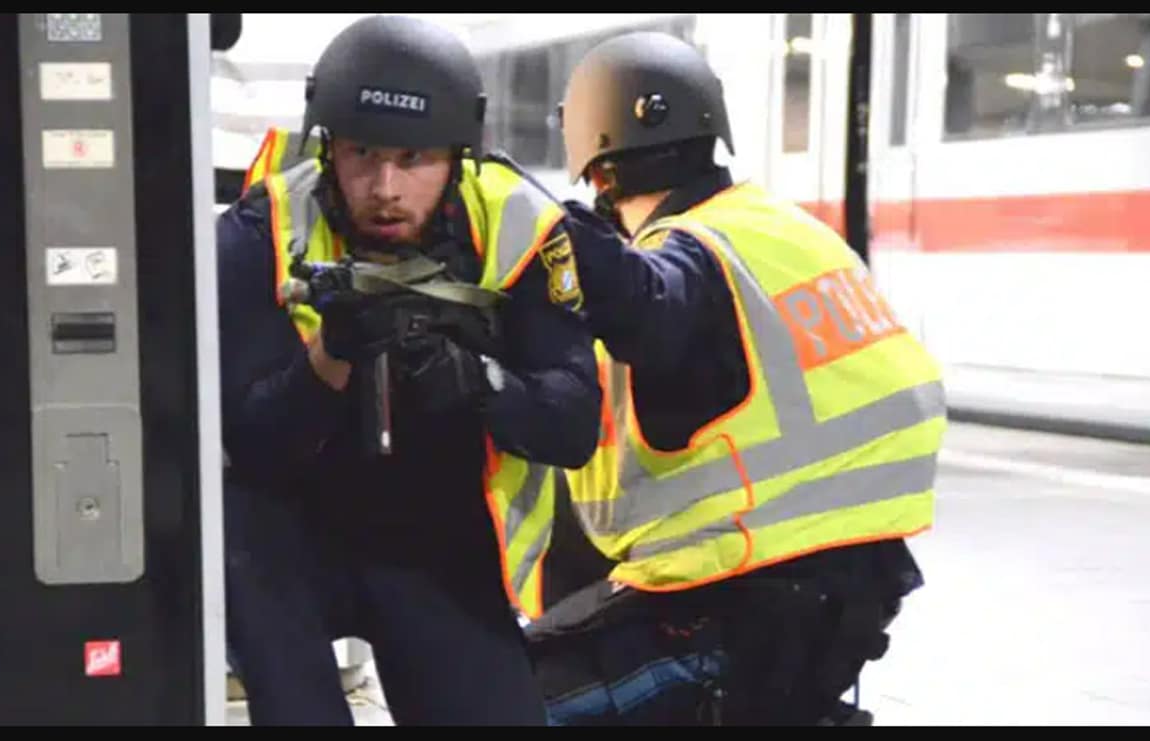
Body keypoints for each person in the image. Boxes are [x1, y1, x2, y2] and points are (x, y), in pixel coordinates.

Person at [529, 31, 948, 726]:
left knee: (494, 701)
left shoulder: (684, 254)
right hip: (848, 594)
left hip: (729, 611)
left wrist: (547, 235)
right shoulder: (787, 233)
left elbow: (651, 306)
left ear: (598, 173)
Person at [217, 15, 601, 725]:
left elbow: (573, 424)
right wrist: (333, 354)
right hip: (287, 536)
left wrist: (474, 379)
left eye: (414, 158)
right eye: (361, 154)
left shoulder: (527, 230)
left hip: (437, 533)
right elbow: (252, 444)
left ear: (460, 156)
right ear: (327, 148)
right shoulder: (259, 229)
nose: (385, 187)